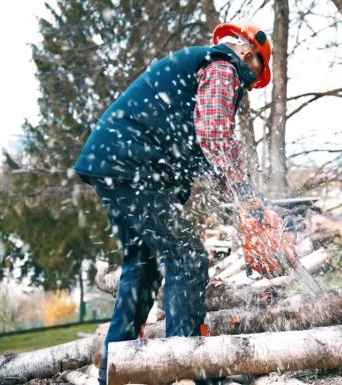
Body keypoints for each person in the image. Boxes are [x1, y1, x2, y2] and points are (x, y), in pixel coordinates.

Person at [74, 21, 287, 385]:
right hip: (132, 165)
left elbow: (206, 147)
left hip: (113, 163)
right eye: (251, 79)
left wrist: (245, 202)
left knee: (142, 267)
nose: (246, 87)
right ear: (249, 55)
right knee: (187, 258)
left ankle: (117, 369)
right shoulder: (223, 66)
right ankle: (189, 368)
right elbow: (216, 136)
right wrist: (248, 199)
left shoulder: (202, 66)